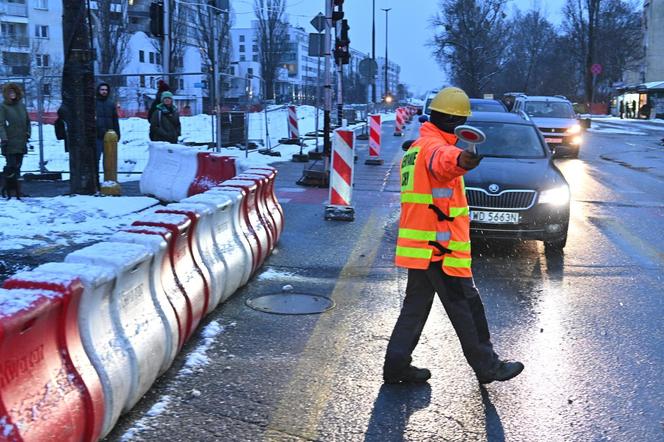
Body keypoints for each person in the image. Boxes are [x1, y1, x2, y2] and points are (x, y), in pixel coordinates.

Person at [383, 86, 524, 385]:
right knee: (467, 308)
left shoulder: (417, 147)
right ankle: (488, 367)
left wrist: (458, 157)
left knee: (415, 309)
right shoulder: (434, 147)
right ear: (452, 121)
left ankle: (395, 366)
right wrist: (463, 160)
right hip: (440, 249)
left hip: (422, 247)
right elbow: (445, 161)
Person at [0, 83, 30, 177]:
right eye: (10, 92)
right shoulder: (3, 107)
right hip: (9, 141)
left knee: (18, 165)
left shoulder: (22, 106)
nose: (12, 94)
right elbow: (1, 124)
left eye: (14, 92)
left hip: (21, 141)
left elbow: (27, 121)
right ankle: (9, 187)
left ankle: (17, 188)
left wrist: (28, 133)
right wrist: (4, 138)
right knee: (11, 166)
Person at [95, 82, 121, 171]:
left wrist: (117, 134)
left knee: (109, 160)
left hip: (109, 136)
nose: (104, 91)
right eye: (102, 89)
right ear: (98, 91)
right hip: (96, 136)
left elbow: (115, 120)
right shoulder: (93, 104)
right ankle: (96, 181)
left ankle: (108, 180)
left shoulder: (111, 104)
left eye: (106, 90)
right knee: (96, 159)